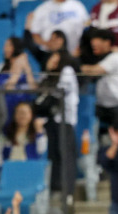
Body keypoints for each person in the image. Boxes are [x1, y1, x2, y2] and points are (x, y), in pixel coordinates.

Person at [35, 50, 79, 202]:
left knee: (65, 154)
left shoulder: (67, 71)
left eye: (55, 58)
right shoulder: (49, 75)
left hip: (65, 120)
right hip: (52, 121)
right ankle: (54, 187)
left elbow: (58, 94)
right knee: (53, 155)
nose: (52, 61)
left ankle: (67, 191)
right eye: (51, 57)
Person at [81, 28, 118, 127]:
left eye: (96, 46)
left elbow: (96, 71)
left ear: (107, 42)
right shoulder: (100, 57)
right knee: (103, 140)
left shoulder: (116, 57)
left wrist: (77, 66)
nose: (94, 49)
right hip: (103, 106)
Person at [0, 37, 37, 119]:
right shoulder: (1, 68)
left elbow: (33, 90)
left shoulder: (27, 68)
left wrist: (26, 67)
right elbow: (7, 88)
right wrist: (17, 69)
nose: (5, 48)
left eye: (8, 45)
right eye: (5, 46)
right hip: (6, 110)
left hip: (23, 113)